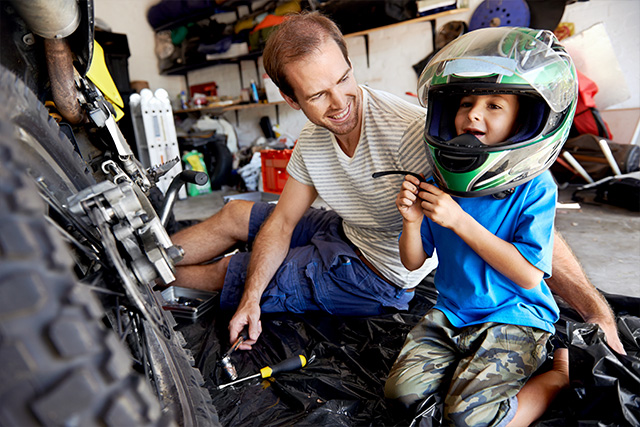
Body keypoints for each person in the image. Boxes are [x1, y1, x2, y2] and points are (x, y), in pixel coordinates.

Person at [169, 12, 624, 358]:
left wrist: (595, 311)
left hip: (376, 273)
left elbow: (526, 217)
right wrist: (253, 296)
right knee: (235, 214)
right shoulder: (312, 140)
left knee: (229, 271)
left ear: (349, 65)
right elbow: (283, 222)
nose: (340, 102)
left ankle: (135, 286)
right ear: (290, 99)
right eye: (316, 95)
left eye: (343, 80)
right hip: (347, 227)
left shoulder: (417, 134)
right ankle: (136, 262)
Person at [385, 27, 578, 426]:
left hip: (516, 317)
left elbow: (527, 274)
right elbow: (412, 260)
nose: (473, 113)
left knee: (468, 421)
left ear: (523, 122)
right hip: (452, 314)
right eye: (466, 103)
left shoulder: (535, 187)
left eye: (494, 106)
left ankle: (556, 375)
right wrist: (412, 221)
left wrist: (459, 220)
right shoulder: (438, 181)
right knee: (401, 397)